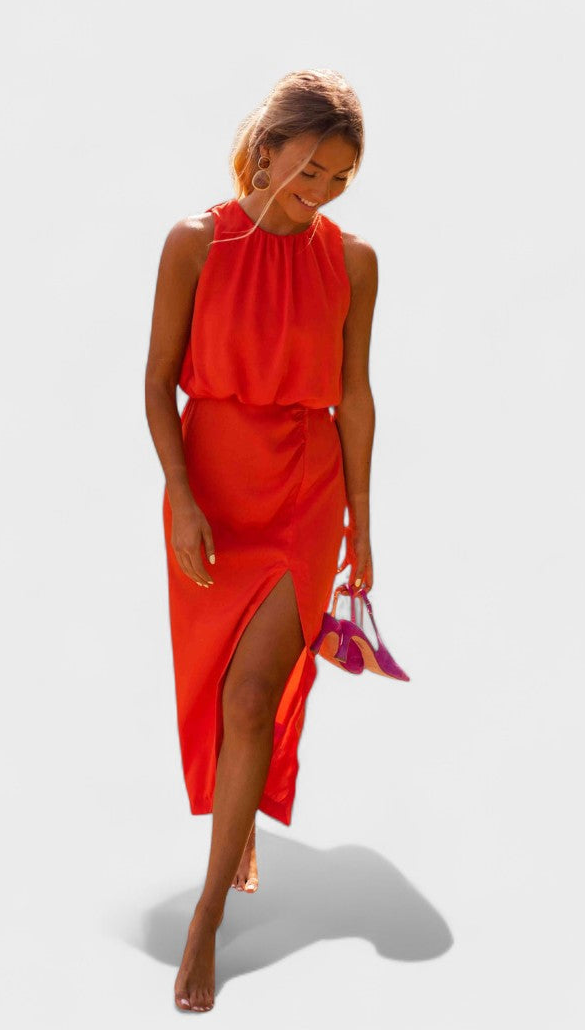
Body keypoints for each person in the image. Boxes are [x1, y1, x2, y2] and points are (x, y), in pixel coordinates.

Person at [143, 68, 377, 1013]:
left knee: (251, 698)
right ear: (267, 148)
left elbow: (354, 394)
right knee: (216, 688)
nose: (320, 192)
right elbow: (157, 381)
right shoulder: (195, 243)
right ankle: (233, 822)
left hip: (306, 494)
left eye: (340, 180)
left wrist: (363, 519)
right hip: (214, 484)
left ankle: (205, 918)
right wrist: (181, 494)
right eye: (309, 169)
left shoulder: (353, 261)